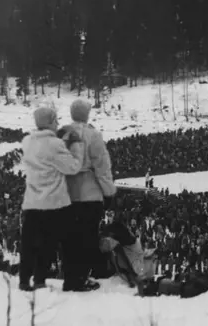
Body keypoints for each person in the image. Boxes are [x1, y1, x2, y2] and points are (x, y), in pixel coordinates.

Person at [19, 107, 82, 292]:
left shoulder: (27, 141)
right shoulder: (55, 145)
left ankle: (23, 280)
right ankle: (39, 279)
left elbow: (43, 156)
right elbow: (73, 167)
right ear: (50, 122)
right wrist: (75, 145)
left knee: (28, 244)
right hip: (54, 203)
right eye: (55, 120)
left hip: (31, 201)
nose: (57, 123)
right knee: (48, 243)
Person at [61, 99, 116, 292]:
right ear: (86, 114)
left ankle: (69, 278)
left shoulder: (63, 134)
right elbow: (102, 167)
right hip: (89, 194)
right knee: (87, 237)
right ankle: (82, 278)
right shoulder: (93, 135)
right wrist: (109, 192)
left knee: (68, 237)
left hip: (66, 194)